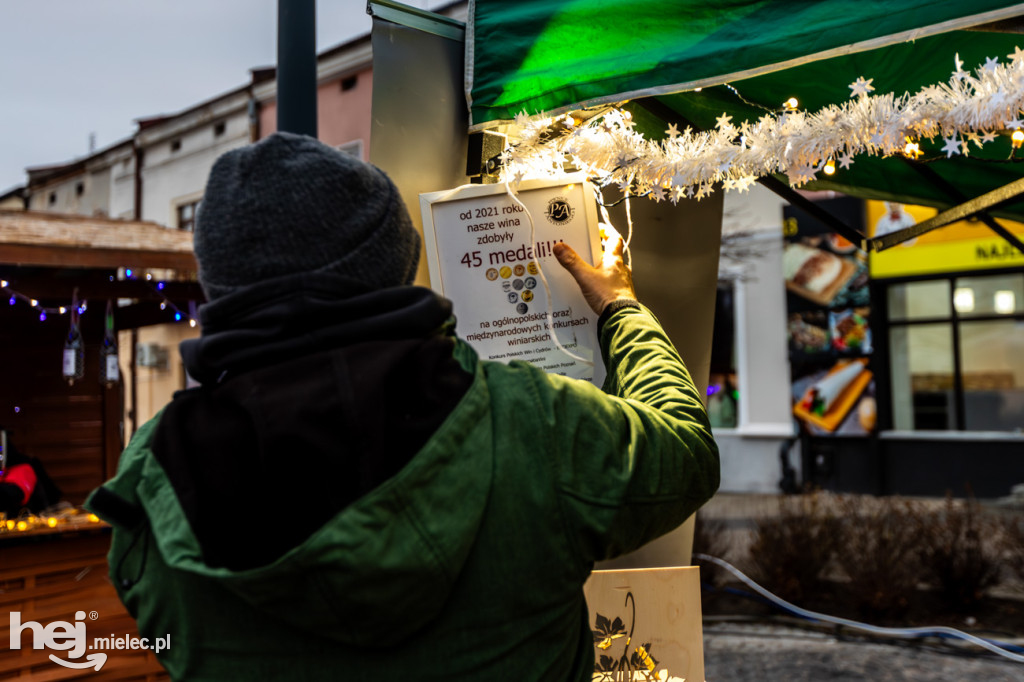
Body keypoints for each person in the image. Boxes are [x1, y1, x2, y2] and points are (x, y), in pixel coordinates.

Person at [86, 132, 719, 681]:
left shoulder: (150, 484)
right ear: (395, 261)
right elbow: (683, 449)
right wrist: (620, 310)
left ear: (219, 284)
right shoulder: (529, 421)